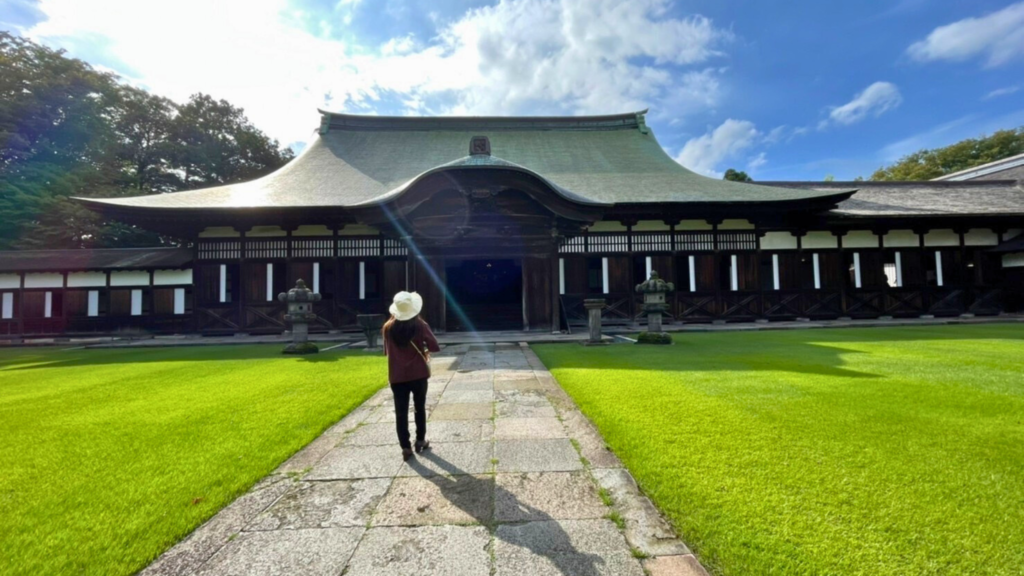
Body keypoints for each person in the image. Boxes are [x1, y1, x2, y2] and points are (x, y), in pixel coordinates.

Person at [382, 291, 441, 461]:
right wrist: (423, 348)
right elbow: (434, 346)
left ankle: (405, 447)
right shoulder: (420, 325)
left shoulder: (388, 327)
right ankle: (421, 440)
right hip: (418, 374)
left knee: (400, 412)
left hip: (397, 376)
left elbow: (387, 352)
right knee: (419, 407)